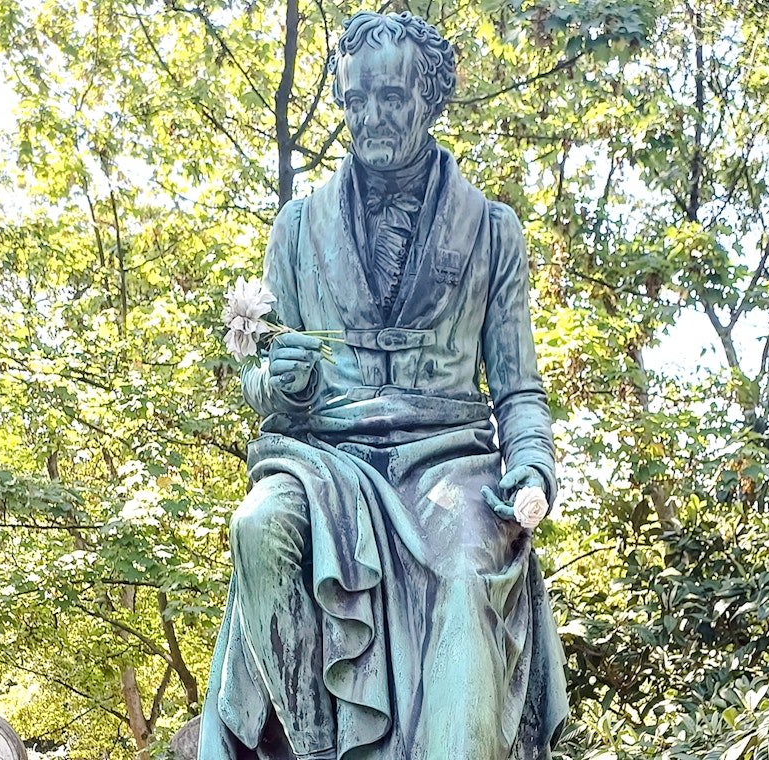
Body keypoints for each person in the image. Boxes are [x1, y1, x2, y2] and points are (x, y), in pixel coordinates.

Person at [198, 11, 568, 760]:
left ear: (430, 99)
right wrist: (281, 381)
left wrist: (532, 464)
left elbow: (520, 390)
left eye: (392, 98)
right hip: (325, 461)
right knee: (258, 527)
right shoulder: (297, 230)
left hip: (450, 460)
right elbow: (266, 387)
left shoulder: (493, 231)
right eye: (357, 101)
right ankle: (312, 748)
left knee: (468, 570)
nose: (372, 118)